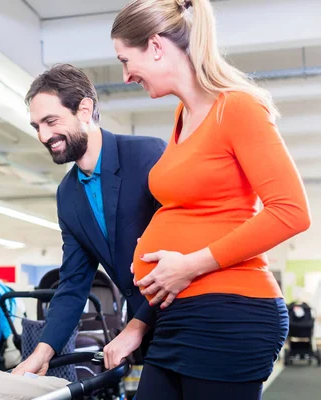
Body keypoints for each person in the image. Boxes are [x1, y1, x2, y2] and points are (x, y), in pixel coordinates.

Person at [109, 0, 311, 398]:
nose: (125, 76)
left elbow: (292, 212)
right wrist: (137, 326)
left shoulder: (237, 107)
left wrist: (189, 264)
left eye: (124, 60)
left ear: (155, 46)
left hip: (228, 316)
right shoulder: (183, 115)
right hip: (178, 317)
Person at [12, 64, 167, 376]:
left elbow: (179, 248)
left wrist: (135, 329)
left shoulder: (147, 155)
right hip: (154, 333)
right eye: (36, 126)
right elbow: (73, 284)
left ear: (84, 109)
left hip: (194, 315)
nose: (43, 136)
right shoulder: (67, 195)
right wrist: (42, 352)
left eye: (50, 121)